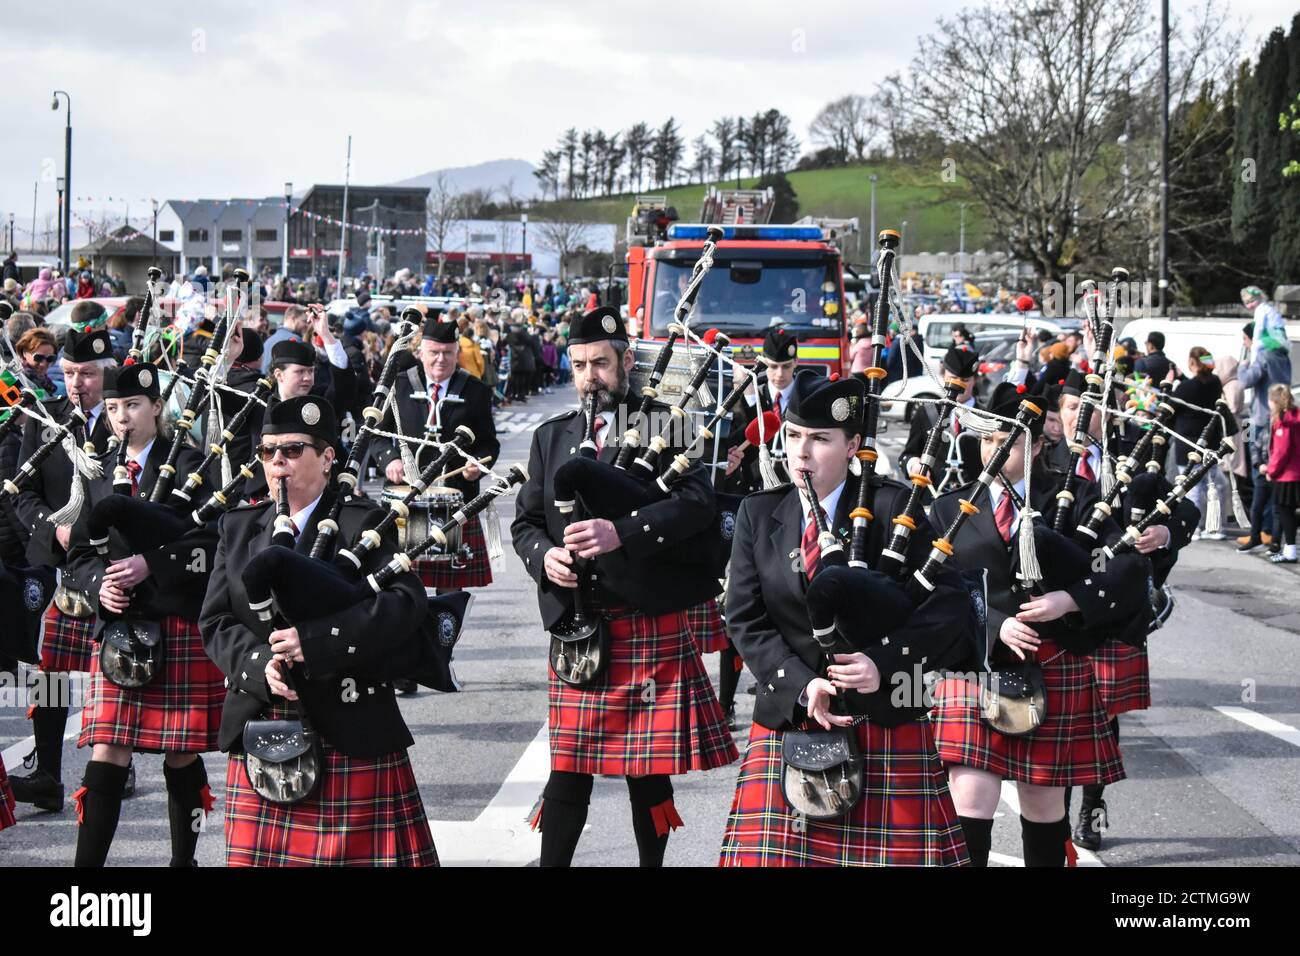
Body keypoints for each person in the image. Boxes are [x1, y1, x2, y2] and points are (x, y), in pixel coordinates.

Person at [511, 306, 737, 867]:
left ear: (626, 362)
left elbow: (696, 505)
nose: (591, 376)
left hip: (643, 613)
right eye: (581, 365)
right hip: (577, 621)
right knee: (568, 766)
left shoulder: (669, 422)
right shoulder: (550, 436)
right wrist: (546, 559)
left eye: (602, 364)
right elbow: (526, 523)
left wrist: (622, 533)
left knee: (646, 771)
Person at [717, 371, 972, 867]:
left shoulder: (895, 505)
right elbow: (745, 618)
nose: (801, 452)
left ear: (853, 443)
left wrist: (883, 661)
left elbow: (950, 604)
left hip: (886, 719)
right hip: (793, 717)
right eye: (793, 436)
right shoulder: (759, 512)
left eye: (819, 439)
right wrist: (801, 683)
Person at [199, 396, 438, 866]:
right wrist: (257, 663)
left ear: (328, 458)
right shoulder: (240, 526)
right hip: (263, 725)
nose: (277, 463)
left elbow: (406, 604)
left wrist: (316, 642)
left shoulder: (362, 522)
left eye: (291, 450)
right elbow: (216, 620)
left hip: (347, 723)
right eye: (268, 452)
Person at [928, 385, 1146, 867]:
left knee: (1043, 806)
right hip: (974, 665)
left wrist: (1070, 600)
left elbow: (1128, 571)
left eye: (1006, 439)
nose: (993, 449)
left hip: (1052, 663)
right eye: (987, 440)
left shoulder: (1080, 498)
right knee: (969, 798)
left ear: (1038, 442)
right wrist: (996, 625)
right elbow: (936, 593)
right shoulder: (949, 508)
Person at [63, 362, 222, 867]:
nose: (121, 418)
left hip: (175, 621)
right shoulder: (95, 468)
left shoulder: (196, 465)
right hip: (117, 631)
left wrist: (150, 563)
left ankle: (184, 864)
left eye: (132, 406)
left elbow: (213, 543)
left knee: (181, 751)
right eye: (112, 408)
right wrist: (98, 588)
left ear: (156, 407)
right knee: (107, 748)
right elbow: (81, 553)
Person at [8, 328, 121, 813]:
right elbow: (22, 490)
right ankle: (50, 773)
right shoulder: (46, 419)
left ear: (107, 373)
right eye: (70, 373)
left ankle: (121, 762)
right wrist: (50, 528)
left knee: (113, 673)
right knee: (50, 675)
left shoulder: (125, 418)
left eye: (88, 374)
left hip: (109, 564)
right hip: (58, 563)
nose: (77, 383)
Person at [373, 317, 500, 611]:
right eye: (434, 352)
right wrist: (388, 459)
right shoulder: (399, 385)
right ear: (421, 352)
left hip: (455, 498)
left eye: (448, 352)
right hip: (405, 499)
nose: (441, 359)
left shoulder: (476, 390)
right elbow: (376, 436)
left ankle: (444, 644)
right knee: (400, 581)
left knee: (448, 590)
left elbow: (488, 443)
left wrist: (478, 464)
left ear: (458, 352)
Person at [1238, 320, 1293, 554]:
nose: (1244, 342)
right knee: (1273, 483)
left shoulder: (1262, 357)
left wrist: (1243, 362)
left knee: (1259, 475)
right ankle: (1269, 531)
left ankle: (1260, 531)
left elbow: (1245, 381)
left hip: (1260, 421)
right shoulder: (1283, 357)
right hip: (1274, 419)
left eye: (1245, 338)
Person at [723, 325, 798, 494]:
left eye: (786, 366)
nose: (779, 374)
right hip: (755, 488)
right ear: (764, 362)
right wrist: (750, 399)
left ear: (796, 362)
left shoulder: (806, 398)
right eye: (773, 366)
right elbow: (738, 442)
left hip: (796, 486)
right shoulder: (747, 398)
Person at [899, 346, 983, 491]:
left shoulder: (987, 415)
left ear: (975, 380)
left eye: (965, 379)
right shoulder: (926, 411)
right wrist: (914, 464)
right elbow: (908, 454)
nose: (959, 384)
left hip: (974, 499)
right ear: (943, 376)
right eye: (953, 378)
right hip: (933, 497)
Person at [1166, 347, 1225, 539]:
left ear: (1192, 362)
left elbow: (1171, 407)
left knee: (1192, 487)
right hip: (1211, 441)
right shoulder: (1215, 383)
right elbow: (1198, 388)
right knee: (1212, 485)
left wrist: (1169, 383)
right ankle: (1215, 527)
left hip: (1188, 442)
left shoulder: (1186, 388)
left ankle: (1195, 528)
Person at [1265, 383, 1300, 565]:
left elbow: (1281, 451)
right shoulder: (1296, 416)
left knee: (1285, 512)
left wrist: (1271, 470)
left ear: (1275, 401)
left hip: (1287, 475)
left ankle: (1290, 551)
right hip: (1297, 472)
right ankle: (1288, 550)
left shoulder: (1283, 422)